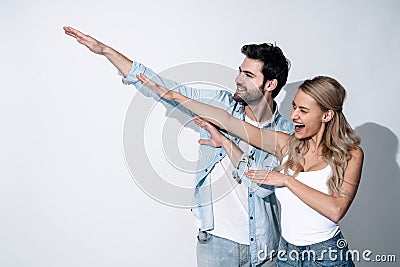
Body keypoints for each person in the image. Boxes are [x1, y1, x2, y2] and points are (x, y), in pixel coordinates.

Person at [64, 26, 293, 266]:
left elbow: (262, 187)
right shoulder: (220, 104)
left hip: (264, 248)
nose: (237, 79)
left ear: (270, 85)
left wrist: (225, 142)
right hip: (216, 243)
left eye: (248, 75)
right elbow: (163, 88)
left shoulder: (285, 133)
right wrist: (105, 51)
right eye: (239, 71)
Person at [136, 74, 363, 266]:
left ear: (327, 115)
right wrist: (174, 96)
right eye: (294, 107)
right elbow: (227, 120)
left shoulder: (351, 155)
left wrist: (287, 181)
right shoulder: (285, 144)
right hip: (287, 255)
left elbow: (335, 210)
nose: (294, 115)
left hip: (327, 255)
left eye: (303, 111)